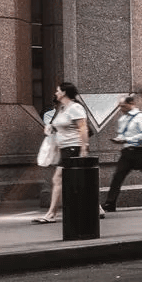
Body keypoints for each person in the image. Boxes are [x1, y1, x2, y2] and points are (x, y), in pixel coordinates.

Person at [34, 82, 92, 223]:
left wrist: (84, 148)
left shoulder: (76, 108)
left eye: (58, 90)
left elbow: (83, 128)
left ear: (64, 92)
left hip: (73, 148)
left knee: (58, 179)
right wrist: (51, 128)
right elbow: (60, 126)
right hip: (64, 148)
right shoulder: (63, 108)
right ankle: (97, 208)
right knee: (78, 180)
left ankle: (51, 214)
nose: (56, 93)